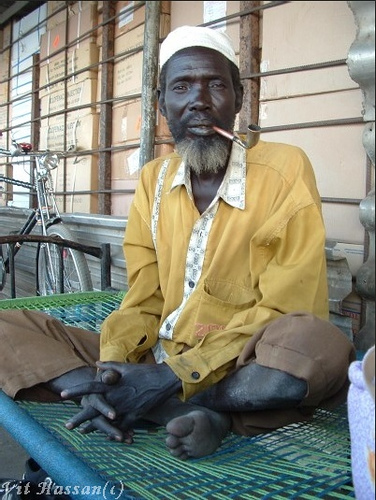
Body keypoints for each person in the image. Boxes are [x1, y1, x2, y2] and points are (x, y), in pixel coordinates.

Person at [0, 25, 355, 460]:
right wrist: (114, 368)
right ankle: (121, 398)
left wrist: (175, 376)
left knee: (319, 345)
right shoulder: (154, 180)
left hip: (234, 366)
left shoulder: (284, 170)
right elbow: (141, 300)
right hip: (151, 360)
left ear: (238, 100)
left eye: (216, 85)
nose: (199, 102)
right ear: (162, 104)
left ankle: (179, 404)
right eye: (182, 86)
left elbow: (287, 308)